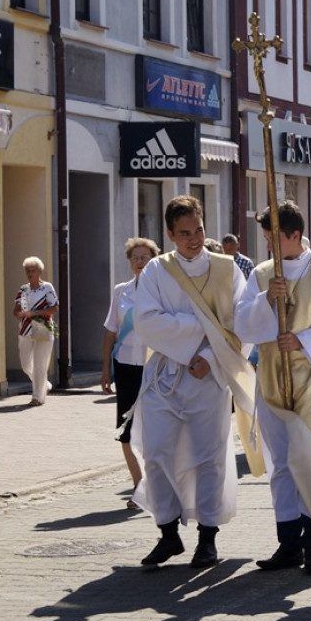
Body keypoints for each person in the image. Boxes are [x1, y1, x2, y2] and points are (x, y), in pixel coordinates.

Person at [235, 200, 311, 575]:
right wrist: (264, 299)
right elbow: (242, 324)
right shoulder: (260, 275)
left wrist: (303, 342)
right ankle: (288, 541)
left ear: (295, 235)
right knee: (282, 463)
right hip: (271, 377)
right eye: (266, 237)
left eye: (273, 237)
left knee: (309, 457)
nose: (269, 244)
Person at [131, 195, 251, 569]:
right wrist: (199, 333)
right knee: (156, 452)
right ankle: (168, 533)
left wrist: (212, 357)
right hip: (166, 374)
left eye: (198, 230)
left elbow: (242, 324)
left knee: (209, 456)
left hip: (210, 376)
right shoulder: (156, 271)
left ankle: (208, 538)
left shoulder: (227, 270)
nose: (194, 239)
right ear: (169, 234)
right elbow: (146, 321)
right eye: (184, 234)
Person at [101, 237, 160, 508]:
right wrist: (105, 370)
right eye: (135, 258)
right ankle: (139, 487)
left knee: (153, 430)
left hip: (153, 368)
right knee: (125, 431)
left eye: (145, 257)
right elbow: (111, 331)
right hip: (125, 367)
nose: (139, 262)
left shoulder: (161, 291)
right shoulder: (120, 291)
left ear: (154, 261)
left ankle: (156, 486)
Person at [13, 256, 59, 407]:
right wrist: (18, 313)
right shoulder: (23, 289)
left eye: (33, 270)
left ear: (39, 272)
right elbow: (16, 309)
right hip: (25, 329)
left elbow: (55, 308)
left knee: (40, 364)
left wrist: (35, 313)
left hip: (43, 326)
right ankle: (43, 384)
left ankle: (37, 397)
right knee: (26, 364)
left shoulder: (47, 287)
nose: (30, 273)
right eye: (27, 271)